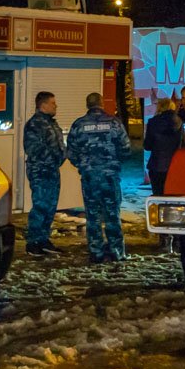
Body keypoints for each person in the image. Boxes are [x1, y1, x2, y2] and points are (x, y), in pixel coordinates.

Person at [66, 92, 131, 262]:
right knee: (112, 214)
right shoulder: (114, 123)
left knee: (93, 215)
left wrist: (82, 166)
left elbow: (71, 151)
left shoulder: (79, 125)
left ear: (87, 105)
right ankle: (117, 251)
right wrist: (115, 163)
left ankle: (96, 251)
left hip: (90, 177)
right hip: (110, 176)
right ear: (102, 103)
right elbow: (125, 147)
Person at [23, 91, 65, 257]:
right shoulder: (35, 124)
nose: (56, 106)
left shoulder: (52, 123)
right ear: (44, 105)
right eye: (53, 103)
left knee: (50, 206)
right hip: (40, 171)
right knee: (40, 206)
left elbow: (59, 146)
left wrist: (61, 157)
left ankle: (43, 239)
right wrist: (53, 157)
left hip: (52, 171)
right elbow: (33, 149)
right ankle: (33, 242)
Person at [144, 96, 183, 253]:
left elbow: (147, 146)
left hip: (157, 167)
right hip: (175, 167)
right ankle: (179, 239)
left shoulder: (153, 122)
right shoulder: (179, 121)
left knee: (159, 201)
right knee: (177, 202)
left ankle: (164, 240)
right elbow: (184, 144)